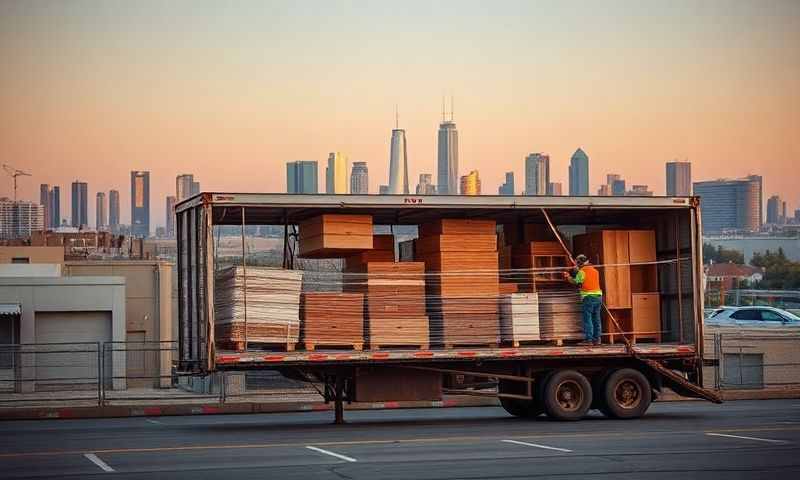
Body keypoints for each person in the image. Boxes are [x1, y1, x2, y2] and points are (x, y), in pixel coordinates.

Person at [563, 254, 603, 345]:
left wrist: (568, 276)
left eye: (577, 263)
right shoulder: (595, 271)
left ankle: (588, 340)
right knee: (596, 318)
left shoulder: (582, 272)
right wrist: (578, 271)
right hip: (598, 297)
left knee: (587, 318)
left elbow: (576, 281)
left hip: (588, 297)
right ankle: (597, 339)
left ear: (580, 263)